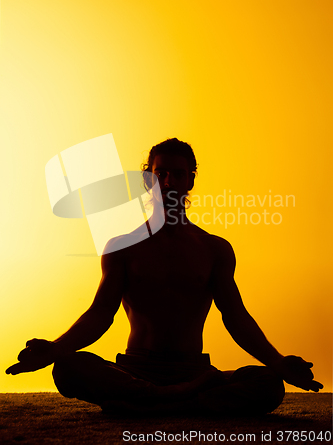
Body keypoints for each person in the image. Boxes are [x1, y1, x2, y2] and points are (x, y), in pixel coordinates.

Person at [6, 138, 323, 416]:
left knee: (268, 383)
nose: (169, 182)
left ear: (191, 181)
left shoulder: (215, 249)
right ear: (148, 180)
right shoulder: (120, 246)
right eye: (161, 174)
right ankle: (179, 401)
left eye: (178, 174)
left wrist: (279, 362)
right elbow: (101, 313)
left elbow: (236, 316)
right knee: (69, 367)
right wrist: (55, 349)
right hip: (136, 369)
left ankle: (151, 403)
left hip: (193, 370)